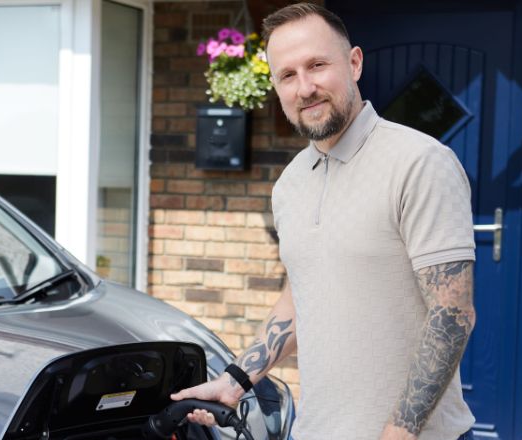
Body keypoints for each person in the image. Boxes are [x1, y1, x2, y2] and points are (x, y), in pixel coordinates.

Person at [170, 3, 477, 439]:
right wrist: (235, 380)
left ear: (354, 63)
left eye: (317, 65)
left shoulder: (419, 162)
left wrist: (398, 432)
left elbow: (452, 314)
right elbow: (302, 295)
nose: (305, 87)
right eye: (287, 75)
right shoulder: (290, 184)